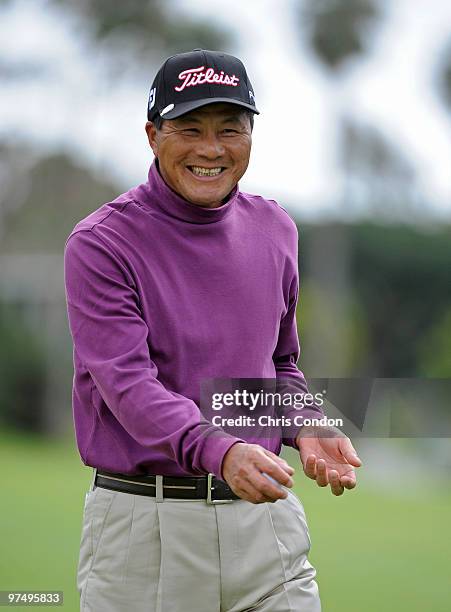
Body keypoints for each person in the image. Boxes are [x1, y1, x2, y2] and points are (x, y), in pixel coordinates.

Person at [64, 49, 362, 612]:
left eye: (231, 129)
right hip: (145, 536)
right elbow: (128, 385)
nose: (211, 149)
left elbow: (278, 365)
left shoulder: (275, 229)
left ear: (251, 135)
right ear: (153, 136)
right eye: (190, 129)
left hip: (266, 526)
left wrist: (302, 422)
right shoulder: (101, 243)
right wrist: (218, 451)